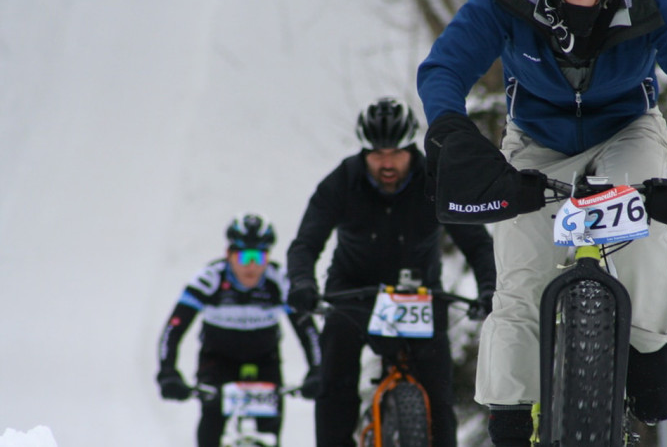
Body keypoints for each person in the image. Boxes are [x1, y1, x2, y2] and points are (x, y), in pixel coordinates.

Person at [417, 0, 667, 445]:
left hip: (627, 130)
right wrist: (449, 128)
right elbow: (444, 67)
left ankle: (648, 350)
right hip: (535, 139)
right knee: (522, 278)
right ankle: (510, 411)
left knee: (641, 235)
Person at [285, 97, 497, 447]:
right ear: (363, 152)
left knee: (439, 398)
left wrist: (488, 288)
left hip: (419, 295)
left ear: (411, 148)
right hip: (354, 293)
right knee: (334, 379)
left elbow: (477, 243)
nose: (386, 163)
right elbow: (305, 244)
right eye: (377, 154)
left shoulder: (436, 180)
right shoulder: (341, 181)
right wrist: (302, 283)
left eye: (395, 153)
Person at [155, 213, 323, 447]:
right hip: (217, 362)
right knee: (211, 428)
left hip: (265, 361)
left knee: (270, 435)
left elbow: (308, 331)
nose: (252, 266)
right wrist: (167, 372)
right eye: (244, 256)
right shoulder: (209, 279)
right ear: (228, 255)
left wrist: (317, 369)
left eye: (260, 256)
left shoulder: (279, 281)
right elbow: (173, 329)